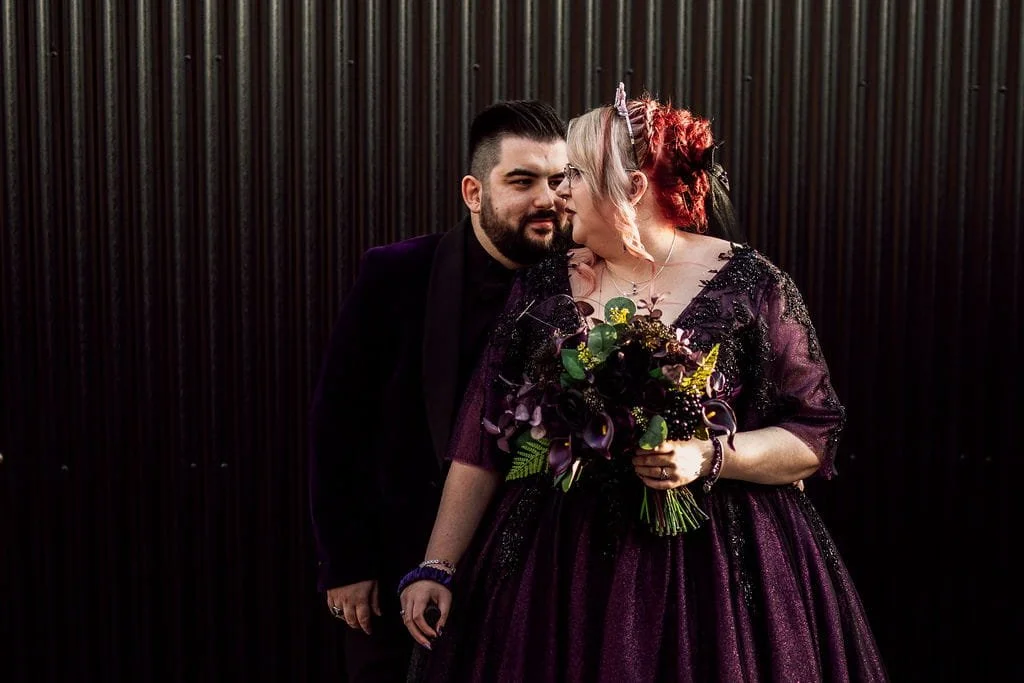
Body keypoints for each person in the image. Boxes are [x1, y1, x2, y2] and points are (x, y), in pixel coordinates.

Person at [399, 85, 888, 682]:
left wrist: (708, 456)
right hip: (558, 575)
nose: (561, 192)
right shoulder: (543, 288)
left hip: (716, 578)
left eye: (575, 174)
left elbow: (815, 433)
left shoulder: (752, 284)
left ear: (631, 189)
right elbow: (483, 436)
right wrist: (438, 565)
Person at [308, 100, 568, 683]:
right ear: (474, 192)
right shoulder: (396, 274)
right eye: (522, 181)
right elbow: (338, 425)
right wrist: (346, 562)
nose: (547, 199)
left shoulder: (593, 283)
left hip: (537, 570)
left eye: (559, 180)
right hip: (400, 560)